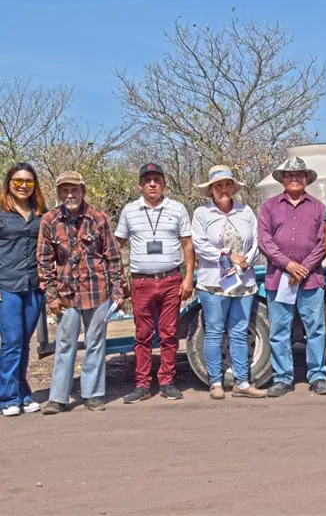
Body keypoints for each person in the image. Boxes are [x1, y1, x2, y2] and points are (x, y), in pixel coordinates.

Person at [39, 171, 124, 414]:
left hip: (97, 292)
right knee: (65, 343)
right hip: (66, 295)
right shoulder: (50, 220)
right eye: (64, 190)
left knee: (95, 343)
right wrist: (52, 295)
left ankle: (94, 394)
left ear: (82, 191)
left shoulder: (98, 218)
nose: (70, 194)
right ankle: (58, 397)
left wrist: (117, 291)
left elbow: (114, 257)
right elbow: (44, 261)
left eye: (74, 189)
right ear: (58, 194)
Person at [116, 163, 195, 404]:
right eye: (147, 179)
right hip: (141, 283)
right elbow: (116, 246)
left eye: (157, 179)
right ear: (140, 185)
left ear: (164, 183)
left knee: (169, 334)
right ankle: (141, 384)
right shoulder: (130, 211)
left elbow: (187, 245)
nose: (152, 184)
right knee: (142, 335)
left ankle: (167, 381)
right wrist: (120, 279)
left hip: (171, 279)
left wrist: (189, 277)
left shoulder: (177, 209)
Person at [192, 165, 266, 399]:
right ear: (211, 189)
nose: (223, 189)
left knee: (239, 330)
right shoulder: (202, 214)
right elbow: (200, 245)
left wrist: (246, 261)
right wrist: (226, 256)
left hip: (243, 281)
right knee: (214, 331)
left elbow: (257, 241)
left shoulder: (245, 212)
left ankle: (242, 381)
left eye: (227, 184)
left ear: (233, 187)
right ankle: (215, 382)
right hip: (213, 282)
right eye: (218, 185)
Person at [258, 157, 326, 397]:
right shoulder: (269, 207)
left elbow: (323, 243)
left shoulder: (319, 207)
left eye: (299, 174)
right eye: (290, 175)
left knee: (316, 329)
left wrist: (304, 268)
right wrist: (289, 265)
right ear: (283, 179)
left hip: (311, 280)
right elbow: (264, 241)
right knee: (279, 330)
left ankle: (318, 376)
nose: (295, 178)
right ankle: (282, 377)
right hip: (279, 279)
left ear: (306, 178)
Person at [0, 163, 47, 416]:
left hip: (34, 285)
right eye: (18, 181)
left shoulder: (41, 213)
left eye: (28, 181)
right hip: (6, 285)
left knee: (24, 342)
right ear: (9, 183)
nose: (22, 186)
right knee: (11, 342)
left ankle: (22, 392)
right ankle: (7, 397)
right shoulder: (1, 212)